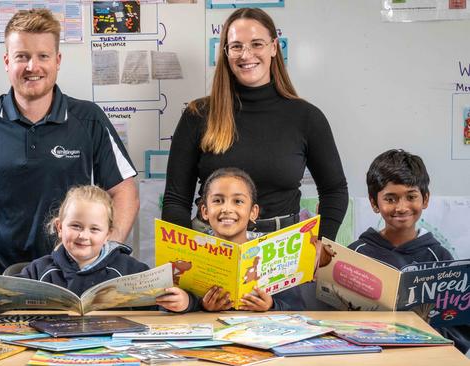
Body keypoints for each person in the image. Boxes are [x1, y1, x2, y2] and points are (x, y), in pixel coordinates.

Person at [0, 9, 139, 274]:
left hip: (74, 275)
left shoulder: (89, 120)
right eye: (22, 57)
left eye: (43, 56)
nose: (33, 67)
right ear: (7, 61)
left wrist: (107, 252)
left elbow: (125, 190)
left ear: (57, 60)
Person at [162, 7, 348, 243]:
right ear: (226, 53)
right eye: (237, 46)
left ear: (273, 47)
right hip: (211, 242)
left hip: (282, 246)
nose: (246, 54)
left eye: (257, 44)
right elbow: (176, 200)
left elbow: (335, 191)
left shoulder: (307, 117)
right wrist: (183, 249)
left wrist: (322, 241)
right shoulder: (197, 115)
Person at [0, 185, 200, 313]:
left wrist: (185, 302)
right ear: (59, 227)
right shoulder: (38, 271)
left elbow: (164, 306)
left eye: (94, 229)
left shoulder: (130, 269)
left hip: (116, 354)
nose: (84, 235)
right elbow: (5, 309)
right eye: (75, 226)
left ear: (108, 234)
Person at [349, 149, 469, 353]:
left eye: (411, 196)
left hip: (424, 359)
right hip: (366, 357)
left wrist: (424, 334)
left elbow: (460, 329)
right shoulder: (355, 254)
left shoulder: (440, 259)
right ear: (374, 203)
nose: (401, 207)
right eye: (390, 199)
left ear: (425, 199)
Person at [196, 168, 306, 312]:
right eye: (218, 200)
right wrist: (202, 306)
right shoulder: (193, 250)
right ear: (204, 211)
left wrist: (271, 305)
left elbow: (298, 308)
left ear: (253, 212)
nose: (227, 208)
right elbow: (169, 305)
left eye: (238, 201)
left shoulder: (276, 254)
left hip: (263, 330)